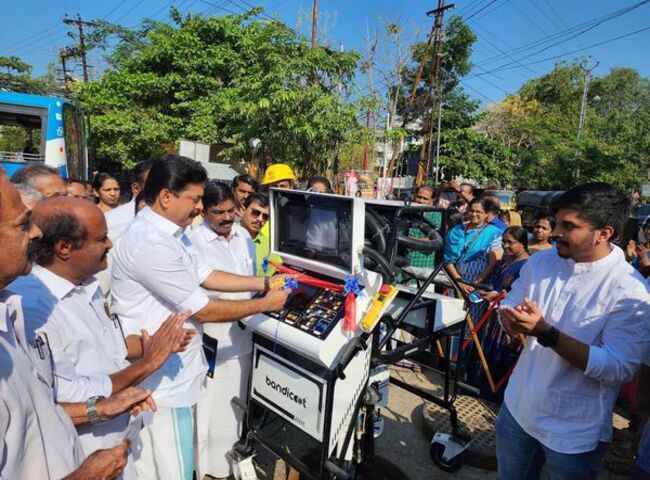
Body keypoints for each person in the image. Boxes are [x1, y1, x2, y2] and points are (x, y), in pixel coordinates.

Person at [110, 155, 290, 480]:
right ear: (166, 196)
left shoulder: (170, 234)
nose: (198, 208)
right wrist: (264, 304)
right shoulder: (150, 243)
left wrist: (262, 283)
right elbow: (203, 307)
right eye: (194, 199)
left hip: (178, 373)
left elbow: (205, 274)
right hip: (161, 385)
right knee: (170, 469)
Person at [9, 196, 193, 478]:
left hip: (115, 445)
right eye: (102, 238)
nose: (110, 244)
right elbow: (60, 398)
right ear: (64, 248)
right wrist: (147, 364)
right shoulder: (35, 308)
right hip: (82, 457)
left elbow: (102, 354)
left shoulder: (86, 285)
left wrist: (146, 353)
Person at [496, 183, 650, 479]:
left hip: (573, 434)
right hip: (518, 409)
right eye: (556, 222)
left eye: (569, 226)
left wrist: (545, 332)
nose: (555, 232)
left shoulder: (629, 290)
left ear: (604, 234)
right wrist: (511, 321)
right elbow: (512, 301)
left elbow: (620, 368)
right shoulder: (542, 261)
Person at [0, 173, 135, 480]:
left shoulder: (9, 313)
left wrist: (101, 408)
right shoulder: (34, 305)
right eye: (22, 224)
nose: (36, 233)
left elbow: (39, 412)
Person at [189, 182, 257, 479]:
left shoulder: (244, 236)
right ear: (203, 210)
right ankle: (204, 469)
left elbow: (250, 279)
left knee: (235, 402)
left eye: (232, 210)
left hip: (243, 335)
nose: (227, 217)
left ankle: (231, 464)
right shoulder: (193, 241)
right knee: (207, 406)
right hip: (211, 335)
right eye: (219, 212)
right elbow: (205, 285)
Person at [443, 198, 503, 295]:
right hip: (455, 282)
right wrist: (459, 282)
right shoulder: (457, 231)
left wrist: (475, 284)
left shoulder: (493, 233)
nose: (474, 214)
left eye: (478, 212)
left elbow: (493, 263)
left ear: (486, 214)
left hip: (479, 286)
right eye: (472, 211)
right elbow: (448, 260)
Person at [407, 185, 443, 270]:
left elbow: (432, 241)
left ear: (432, 200)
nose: (421, 201)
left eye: (425, 198)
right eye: (419, 197)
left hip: (423, 266)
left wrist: (406, 240)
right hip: (403, 265)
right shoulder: (406, 212)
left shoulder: (435, 216)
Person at [240, 192, 275, 275]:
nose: (260, 219)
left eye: (265, 217)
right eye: (255, 212)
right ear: (243, 210)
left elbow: (266, 279)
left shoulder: (270, 247)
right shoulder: (225, 235)